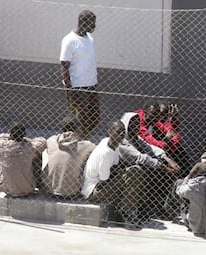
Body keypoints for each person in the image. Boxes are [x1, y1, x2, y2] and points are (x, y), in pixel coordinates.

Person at [82, 120, 144, 227]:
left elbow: (115, 167)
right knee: (134, 173)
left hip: (103, 183)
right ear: (110, 132)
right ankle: (126, 211)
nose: (121, 135)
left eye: (123, 132)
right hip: (94, 190)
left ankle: (125, 211)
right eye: (118, 132)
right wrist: (124, 176)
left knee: (132, 172)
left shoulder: (109, 142)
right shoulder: (105, 152)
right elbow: (104, 180)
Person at [119, 112, 180, 219]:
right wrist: (164, 167)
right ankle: (148, 208)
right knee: (152, 170)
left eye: (138, 124)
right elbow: (140, 157)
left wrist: (167, 159)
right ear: (126, 125)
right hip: (123, 171)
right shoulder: (122, 140)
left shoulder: (135, 138)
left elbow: (150, 148)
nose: (136, 127)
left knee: (159, 168)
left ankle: (162, 206)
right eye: (132, 124)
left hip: (136, 168)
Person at [60, 10, 100, 139]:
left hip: (91, 86)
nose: (94, 26)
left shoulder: (89, 39)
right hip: (77, 88)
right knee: (80, 120)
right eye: (92, 23)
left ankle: (81, 140)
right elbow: (64, 67)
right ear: (83, 22)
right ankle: (76, 143)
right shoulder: (69, 40)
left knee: (95, 117)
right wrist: (70, 91)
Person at [43, 117, 96, 198]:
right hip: (72, 192)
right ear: (78, 129)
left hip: (50, 189)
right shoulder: (88, 146)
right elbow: (97, 150)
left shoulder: (52, 141)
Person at [0, 122, 46, 197]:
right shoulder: (30, 148)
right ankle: (38, 182)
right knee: (37, 154)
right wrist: (27, 140)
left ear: (10, 133)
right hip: (27, 188)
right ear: (24, 134)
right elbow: (42, 141)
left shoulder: (1, 144)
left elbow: (0, 136)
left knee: (0, 155)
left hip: (5, 188)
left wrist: (13, 136)